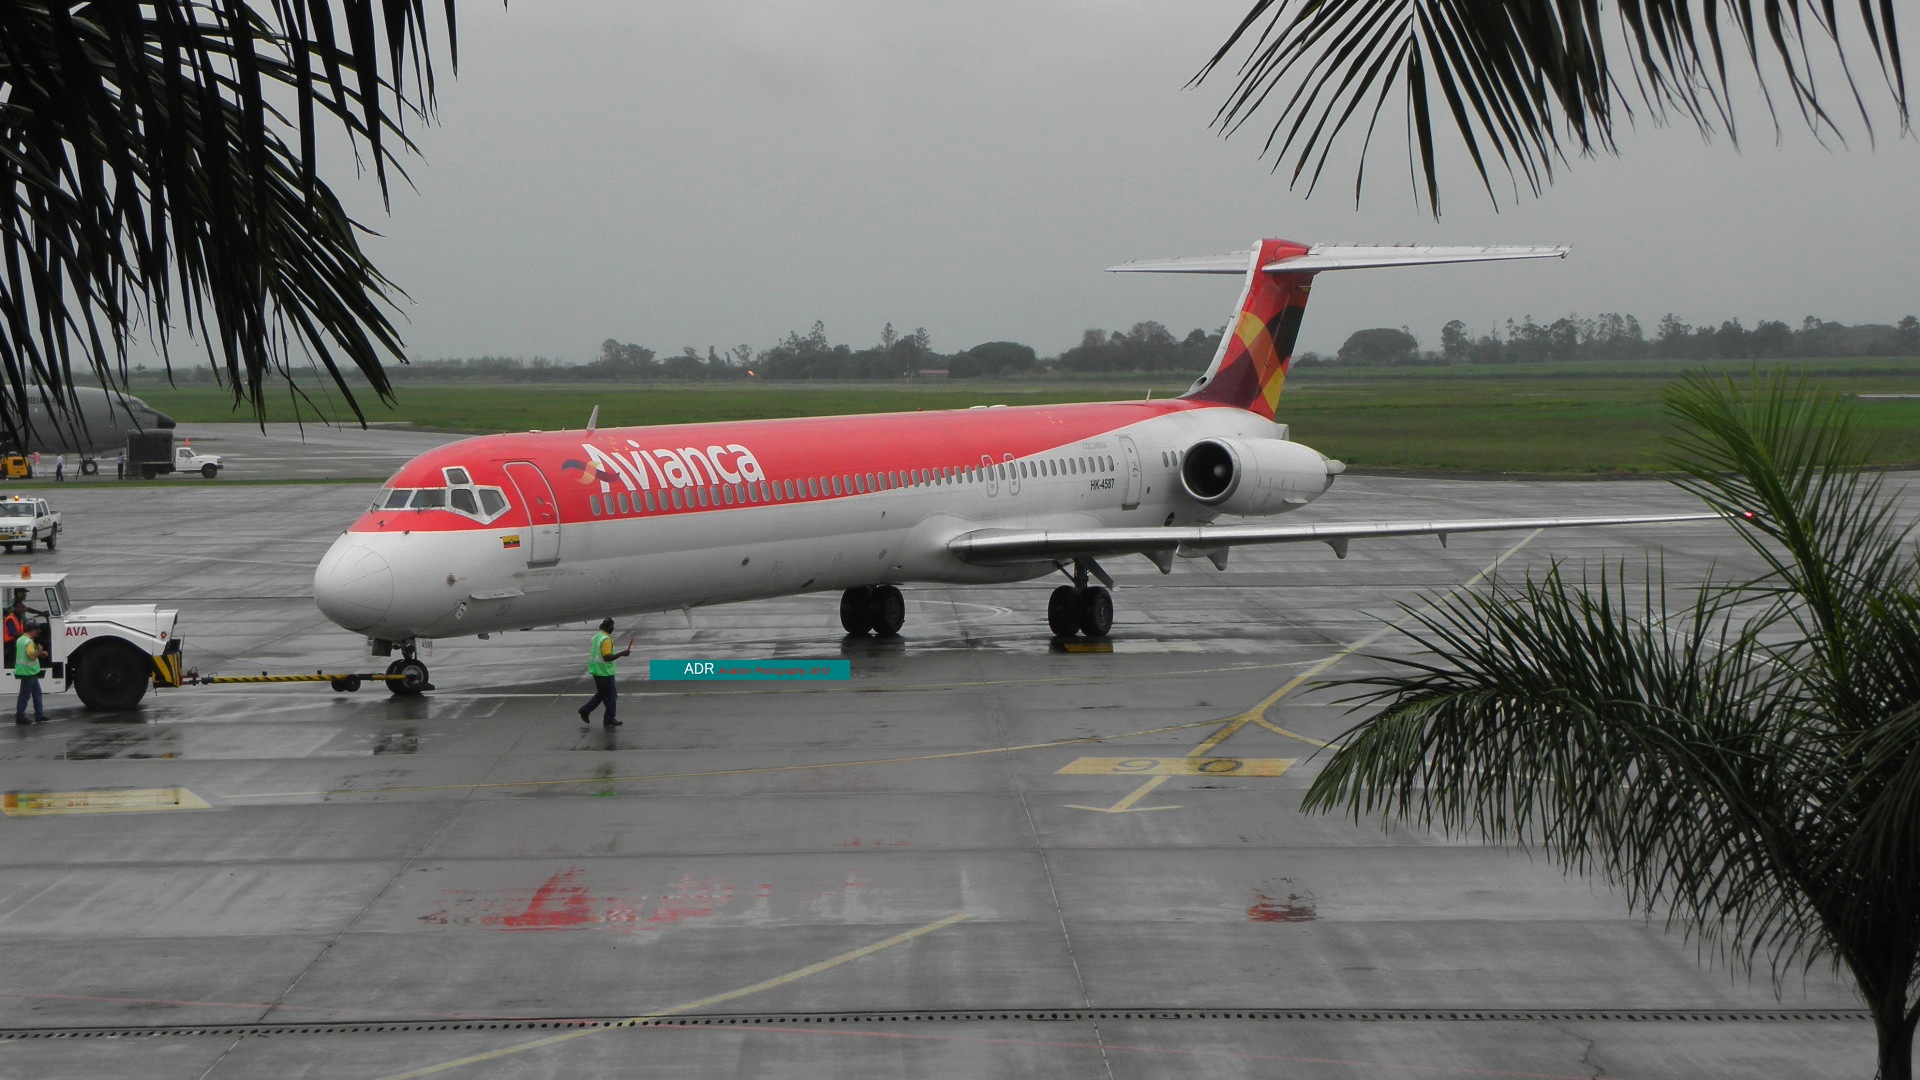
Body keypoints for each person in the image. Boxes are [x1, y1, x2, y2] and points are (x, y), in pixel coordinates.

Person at [577, 618, 631, 728]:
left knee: (602, 694)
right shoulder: (606, 640)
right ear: (610, 627)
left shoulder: (597, 637)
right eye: (612, 627)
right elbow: (607, 657)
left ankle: (586, 711)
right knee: (611, 695)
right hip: (605, 672)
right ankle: (608, 718)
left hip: (596, 670)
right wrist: (622, 653)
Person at [14, 625, 46, 724]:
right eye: (36, 631)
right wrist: (40, 651)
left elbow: (26, 654)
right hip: (28, 672)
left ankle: (39, 715)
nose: (37, 633)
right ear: (31, 630)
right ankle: (20, 717)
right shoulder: (29, 642)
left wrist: (39, 653)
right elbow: (32, 656)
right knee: (25, 695)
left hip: (28, 671)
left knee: (37, 693)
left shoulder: (20, 639)